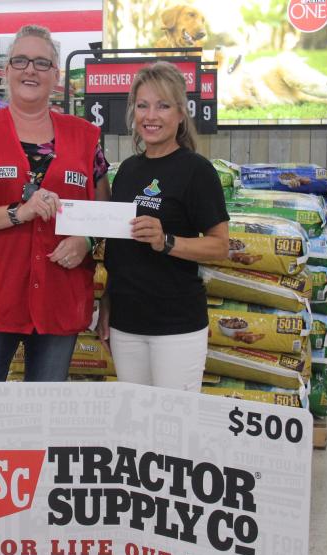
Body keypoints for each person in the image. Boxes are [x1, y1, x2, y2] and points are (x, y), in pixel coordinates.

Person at [0, 24, 110, 382]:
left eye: (41, 63)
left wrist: (87, 241)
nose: (30, 69)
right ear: (6, 71)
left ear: (56, 75)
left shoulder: (86, 138)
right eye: (20, 61)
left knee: (45, 419)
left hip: (58, 296)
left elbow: (103, 215)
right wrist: (19, 213)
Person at [96, 62, 230, 393]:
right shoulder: (126, 171)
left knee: (175, 430)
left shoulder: (197, 171)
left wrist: (167, 241)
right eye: (142, 105)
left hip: (176, 326)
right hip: (127, 324)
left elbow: (220, 246)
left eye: (163, 105)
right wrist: (107, 305)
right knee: (137, 427)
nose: (150, 115)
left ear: (181, 114)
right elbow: (119, 250)